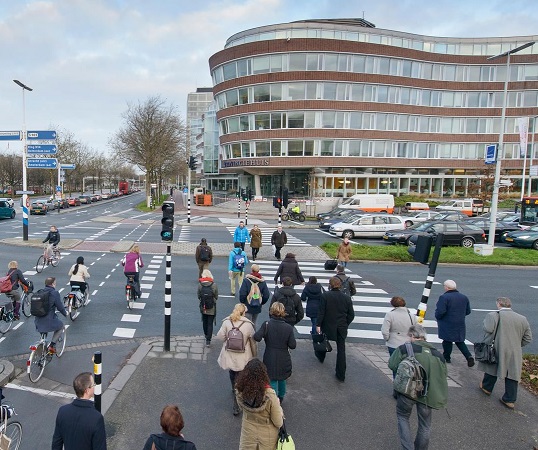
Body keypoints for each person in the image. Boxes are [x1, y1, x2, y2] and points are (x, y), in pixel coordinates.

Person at [388, 325, 448, 450]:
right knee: (425, 425)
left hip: (407, 391)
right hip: (428, 394)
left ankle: (407, 448)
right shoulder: (438, 355)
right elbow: (444, 374)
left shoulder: (405, 348)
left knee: (403, 416)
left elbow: (392, 365)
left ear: (412, 336)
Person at [478, 297, 532, 409]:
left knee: (492, 367)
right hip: (514, 350)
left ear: (498, 304)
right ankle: (509, 399)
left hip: (497, 347)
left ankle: (487, 388)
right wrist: (516, 345)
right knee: (512, 374)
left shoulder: (493, 315)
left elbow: (488, 329)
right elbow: (528, 338)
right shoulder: (522, 318)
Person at [217, 303, 257, 415]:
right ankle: (239, 396)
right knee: (242, 374)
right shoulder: (248, 325)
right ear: (244, 312)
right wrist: (254, 355)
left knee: (232, 372)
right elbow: (253, 341)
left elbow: (220, 337)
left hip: (230, 353)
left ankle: (233, 388)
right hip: (243, 355)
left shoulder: (226, 322)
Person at [235, 358, 283, 450]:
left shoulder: (240, 390)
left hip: (248, 434)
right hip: (267, 439)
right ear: (264, 374)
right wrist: (279, 407)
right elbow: (278, 422)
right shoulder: (269, 395)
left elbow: (241, 407)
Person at [253, 302, 296, 404]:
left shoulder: (267, 324)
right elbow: (292, 345)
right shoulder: (288, 328)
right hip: (283, 356)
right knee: (282, 378)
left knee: (271, 378)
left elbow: (257, 337)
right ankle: (281, 396)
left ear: (271, 311)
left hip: (270, 355)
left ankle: (273, 399)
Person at [52, 372, 107, 450]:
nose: (94, 386)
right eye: (93, 385)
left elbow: (56, 443)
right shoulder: (96, 418)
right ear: (87, 390)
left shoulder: (62, 411)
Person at [316, 276, 355, 381]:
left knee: (323, 341)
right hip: (341, 326)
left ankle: (321, 356)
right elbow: (351, 314)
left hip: (327, 325)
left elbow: (321, 312)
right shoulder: (347, 298)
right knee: (341, 350)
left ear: (330, 285)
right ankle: (341, 374)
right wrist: (345, 323)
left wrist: (318, 324)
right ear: (340, 285)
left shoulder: (325, 296)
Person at [434, 279, 474, 367]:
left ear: (446, 287)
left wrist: (438, 317)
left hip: (447, 322)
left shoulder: (444, 297)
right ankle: (468, 356)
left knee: (447, 340)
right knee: (459, 341)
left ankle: (446, 357)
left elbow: (441, 311)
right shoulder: (464, 297)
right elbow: (468, 311)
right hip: (459, 322)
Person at [35, 277, 67, 354]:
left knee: (43, 334)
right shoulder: (54, 293)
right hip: (48, 319)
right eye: (55, 283)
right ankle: (52, 346)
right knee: (61, 326)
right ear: (53, 284)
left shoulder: (39, 292)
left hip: (38, 320)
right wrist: (65, 313)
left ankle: (42, 350)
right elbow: (60, 307)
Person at [198, 269, 218, 347]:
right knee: (210, 323)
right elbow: (216, 296)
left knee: (204, 321)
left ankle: (206, 334)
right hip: (212, 307)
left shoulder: (200, 285)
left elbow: (198, 296)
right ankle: (208, 340)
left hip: (203, 306)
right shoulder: (214, 285)